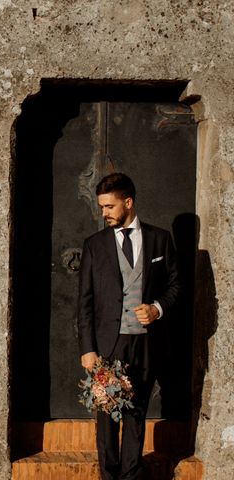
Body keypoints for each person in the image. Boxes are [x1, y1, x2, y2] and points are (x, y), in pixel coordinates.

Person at [77, 173, 181, 480]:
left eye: (109, 206)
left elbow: (176, 285)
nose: (104, 213)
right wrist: (87, 348)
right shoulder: (94, 245)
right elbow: (84, 302)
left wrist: (157, 308)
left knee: (137, 413)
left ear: (128, 202)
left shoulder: (159, 239)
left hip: (147, 343)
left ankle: (131, 474)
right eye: (101, 207)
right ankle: (109, 476)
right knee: (107, 414)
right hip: (109, 343)